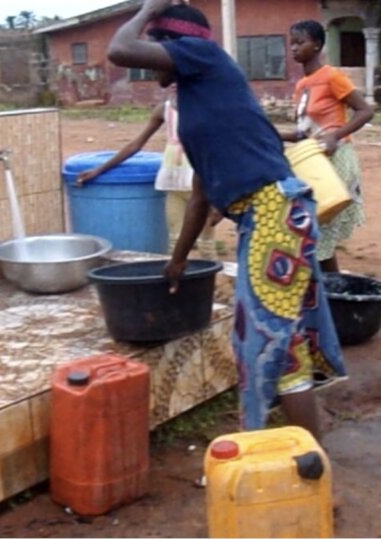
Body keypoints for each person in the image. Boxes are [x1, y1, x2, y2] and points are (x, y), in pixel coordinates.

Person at [107, 0, 347, 439]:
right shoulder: (199, 98)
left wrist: (148, 9)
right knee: (280, 333)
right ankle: (306, 440)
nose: (148, 61)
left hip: (274, 212)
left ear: (174, 45)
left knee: (266, 340)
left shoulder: (206, 57)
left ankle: (307, 458)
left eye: (156, 47)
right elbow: (200, 193)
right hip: (271, 214)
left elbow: (120, 49)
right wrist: (177, 260)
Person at [74, 90, 217, 258]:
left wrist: (219, 201)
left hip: (202, 187)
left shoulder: (208, 108)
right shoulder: (164, 110)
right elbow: (135, 145)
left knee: (206, 244)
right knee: (174, 242)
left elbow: (222, 149)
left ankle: (211, 281)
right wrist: (99, 169)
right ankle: (178, 283)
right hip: (174, 185)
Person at [281, 20, 374, 273]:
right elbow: (305, 133)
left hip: (336, 161)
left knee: (319, 232)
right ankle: (328, 292)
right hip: (313, 162)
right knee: (314, 232)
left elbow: (365, 111)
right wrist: (276, 136)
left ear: (318, 45)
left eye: (300, 43)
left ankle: (329, 295)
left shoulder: (332, 77)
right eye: (292, 44)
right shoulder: (302, 86)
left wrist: (336, 135)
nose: (294, 49)